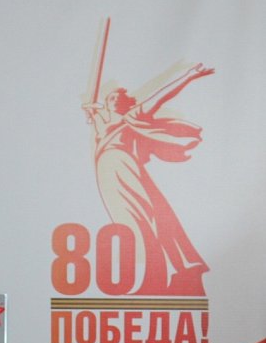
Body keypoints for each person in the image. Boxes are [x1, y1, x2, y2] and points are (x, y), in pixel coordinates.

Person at [82, 64, 213, 297]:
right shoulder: (103, 123)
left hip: (122, 166)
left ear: (126, 103)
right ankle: (156, 277)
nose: (112, 99)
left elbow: (162, 95)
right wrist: (90, 110)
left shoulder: (132, 116)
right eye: (110, 98)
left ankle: (156, 278)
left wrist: (188, 76)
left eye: (117, 97)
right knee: (127, 220)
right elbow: (94, 112)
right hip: (107, 173)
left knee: (141, 218)